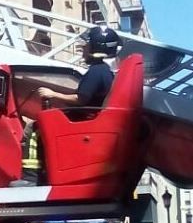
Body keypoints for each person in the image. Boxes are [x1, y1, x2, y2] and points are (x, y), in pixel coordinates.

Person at [13, 25, 120, 187]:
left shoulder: (96, 71)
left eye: (86, 44)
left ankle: (30, 178)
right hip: (89, 120)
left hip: (83, 121)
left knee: (34, 130)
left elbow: (81, 98)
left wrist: (53, 94)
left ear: (96, 47)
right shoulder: (104, 72)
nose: (83, 48)